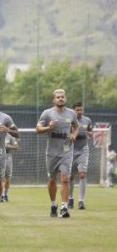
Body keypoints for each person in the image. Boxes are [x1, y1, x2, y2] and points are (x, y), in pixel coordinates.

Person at [36, 89, 79, 218]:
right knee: (51, 180)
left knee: (65, 179)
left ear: (65, 99)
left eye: (62, 97)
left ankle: (64, 208)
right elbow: (38, 129)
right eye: (57, 97)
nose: (60, 99)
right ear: (54, 100)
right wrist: (48, 127)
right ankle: (53, 204)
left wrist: (74, 135)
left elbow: (76, 127)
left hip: (66, 152)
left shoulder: (71, 114)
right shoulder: (47, 113)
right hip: (51, 153)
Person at [68, 102, 92, 209]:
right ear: (73, 110)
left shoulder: (87, 120)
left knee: (82, 174)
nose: (79, 112)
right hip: (70, 151)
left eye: (81, 110)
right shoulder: (68, 121)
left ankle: (81, 201)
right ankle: (70, 198)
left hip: (83, 150)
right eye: (77, 110)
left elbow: (90, 130)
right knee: (70, 177)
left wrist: (90, 133)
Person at [1, 133, 19, 202]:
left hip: (7, 159)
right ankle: (0, 195)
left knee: (7, 179)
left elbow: (16, 147)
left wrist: (7, 146)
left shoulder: (10, 136)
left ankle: (4, 195)